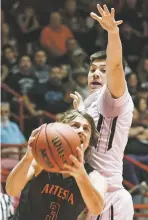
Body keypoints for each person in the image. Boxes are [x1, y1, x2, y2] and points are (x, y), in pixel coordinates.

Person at [70, 4, 134, 220]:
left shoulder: (113, 99)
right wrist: (80, 112)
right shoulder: (91, 101)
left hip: (109, 197)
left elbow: (116, 66)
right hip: (86, 191)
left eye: (103, 70)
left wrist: (113, 34)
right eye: (92, 69)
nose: (96, 74)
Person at [6, 110, 107, 220]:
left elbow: (97, 209)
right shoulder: (40, 162)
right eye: (75, 126)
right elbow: (11, 190)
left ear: (89, 140)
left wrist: (80, 174)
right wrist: (28, 157)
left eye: (86, 128)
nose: (81, 131)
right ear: (61, 130)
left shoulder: (94, 177)